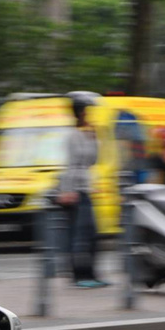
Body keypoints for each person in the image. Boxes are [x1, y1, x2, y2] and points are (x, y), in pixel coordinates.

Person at [57, 92, 108, 288]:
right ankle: (79, 276)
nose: (90, 114)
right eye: (87, 111)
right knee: (80, 235)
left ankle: (91, 274)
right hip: (75, 190)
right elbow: (71, 164)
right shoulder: (71, 136)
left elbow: (93, 160)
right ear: (80, 112)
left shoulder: (86, 134)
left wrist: (94, 139)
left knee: (92, 234)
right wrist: (68, 191)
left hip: (86, 188)